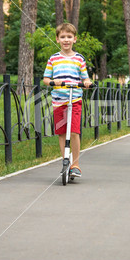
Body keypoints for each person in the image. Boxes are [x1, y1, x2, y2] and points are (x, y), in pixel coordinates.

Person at [43, 23, 93, 177]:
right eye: (63, 37)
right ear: (57, 39)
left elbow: (86, 78)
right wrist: (53, 82)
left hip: (75, 99)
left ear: (74, 39)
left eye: (69, 37)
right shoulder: (53, 59)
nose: (66, 40)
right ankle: (65, 159)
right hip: (59, 100)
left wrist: (87, 83)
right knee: (62, 133)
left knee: (74, 132)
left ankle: (76, 164)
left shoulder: (79, 59)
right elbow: (45, 79)